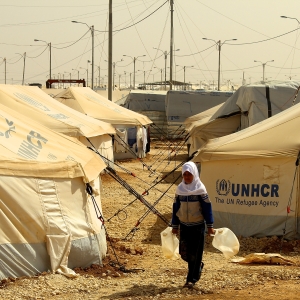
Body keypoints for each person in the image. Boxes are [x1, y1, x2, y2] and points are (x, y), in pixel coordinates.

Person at [171, 161, 214, 289]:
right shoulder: (180, 189)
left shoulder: (200, 189)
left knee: (195, 253)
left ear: (194, 174)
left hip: (197, 226)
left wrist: (210, 225)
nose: (187, 177)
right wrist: (175, 226)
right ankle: (197, 267)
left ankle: (191, 279)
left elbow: (207, 208)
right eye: (185, 175)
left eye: (189, 174)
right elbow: (176, 208)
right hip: (184, 225)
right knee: (184, 252)